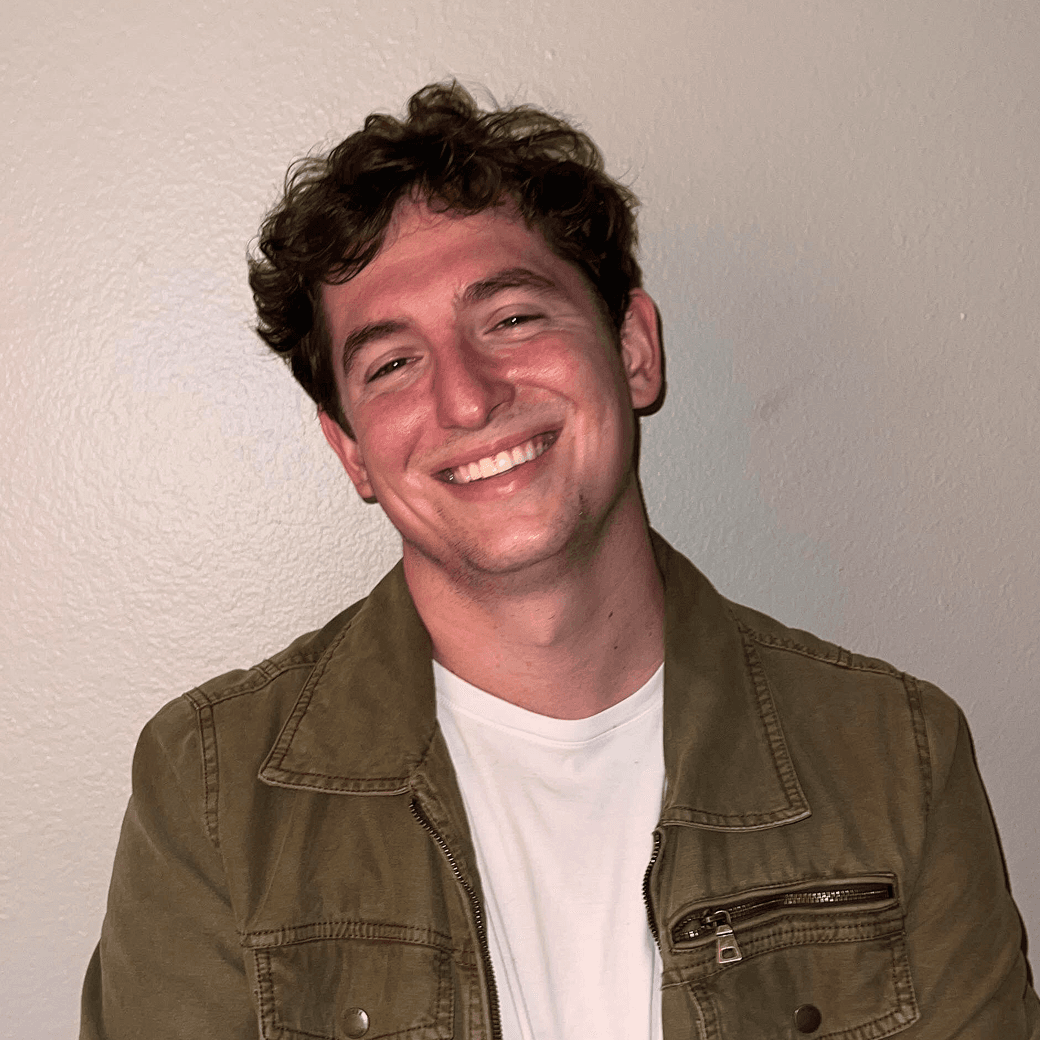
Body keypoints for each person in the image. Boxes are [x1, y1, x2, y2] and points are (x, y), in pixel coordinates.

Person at [81, 83, 1038, 1040]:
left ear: (634, 350)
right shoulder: (215, 793)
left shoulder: (895, 756)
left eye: (511, 319)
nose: (467, 398)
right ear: (352, 453)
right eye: (392, 364)